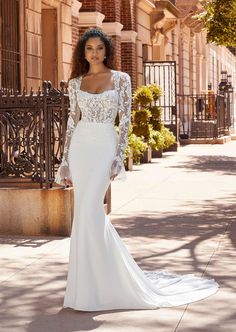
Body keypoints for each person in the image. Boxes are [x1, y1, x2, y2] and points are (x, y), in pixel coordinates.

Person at [55, 28, 219, 311]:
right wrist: (65, 160)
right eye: (89, 49)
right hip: (81, 146)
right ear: (83, 52)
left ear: (107, 51)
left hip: (104, 144)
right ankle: (87, 287)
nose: (94, 53)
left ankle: (108, 283)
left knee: (91, 209)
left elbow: (126, 120)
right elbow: (72, 122)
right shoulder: (75, 83)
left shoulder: (121, 79)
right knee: (84, 214)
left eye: (99, 48)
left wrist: (119, 156)